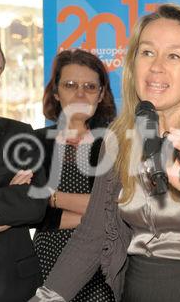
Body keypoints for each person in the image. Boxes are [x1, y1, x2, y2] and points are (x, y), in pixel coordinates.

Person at [32, 3, 180, 302]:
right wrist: (46, 297)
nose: (156, 66)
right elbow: (92, 237)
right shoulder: (118, 137)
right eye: (147, 52)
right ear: (133, 64)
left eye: (173, 55)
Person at [33, 49, 117, 301]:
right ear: (56, 92)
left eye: (90, 86)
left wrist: (53, 197)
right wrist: (96, 215)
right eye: (70, 85)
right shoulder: (34, 142)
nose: (80, 93)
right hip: (47, 261)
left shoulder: (116, 143)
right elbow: (31, 209)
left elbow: (117, 205)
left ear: (101, 94)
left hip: (102, 263)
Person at [0, 41, 48, 301]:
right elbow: (19, 203)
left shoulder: (19, 134)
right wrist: (10, 196)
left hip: (13, 286)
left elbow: (35, 205)